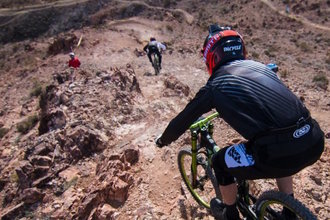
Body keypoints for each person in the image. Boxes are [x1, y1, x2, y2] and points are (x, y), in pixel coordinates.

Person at [155, 24, 324, 220]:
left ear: (212, 57)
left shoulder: (215, 86)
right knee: (283, 140)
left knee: (219, 162)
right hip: (313, 139)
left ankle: (230, 214)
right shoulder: (262, 68)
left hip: (275, 154)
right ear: (241, 49)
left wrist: (163, 140)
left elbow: (182, 120)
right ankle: (290, 211)